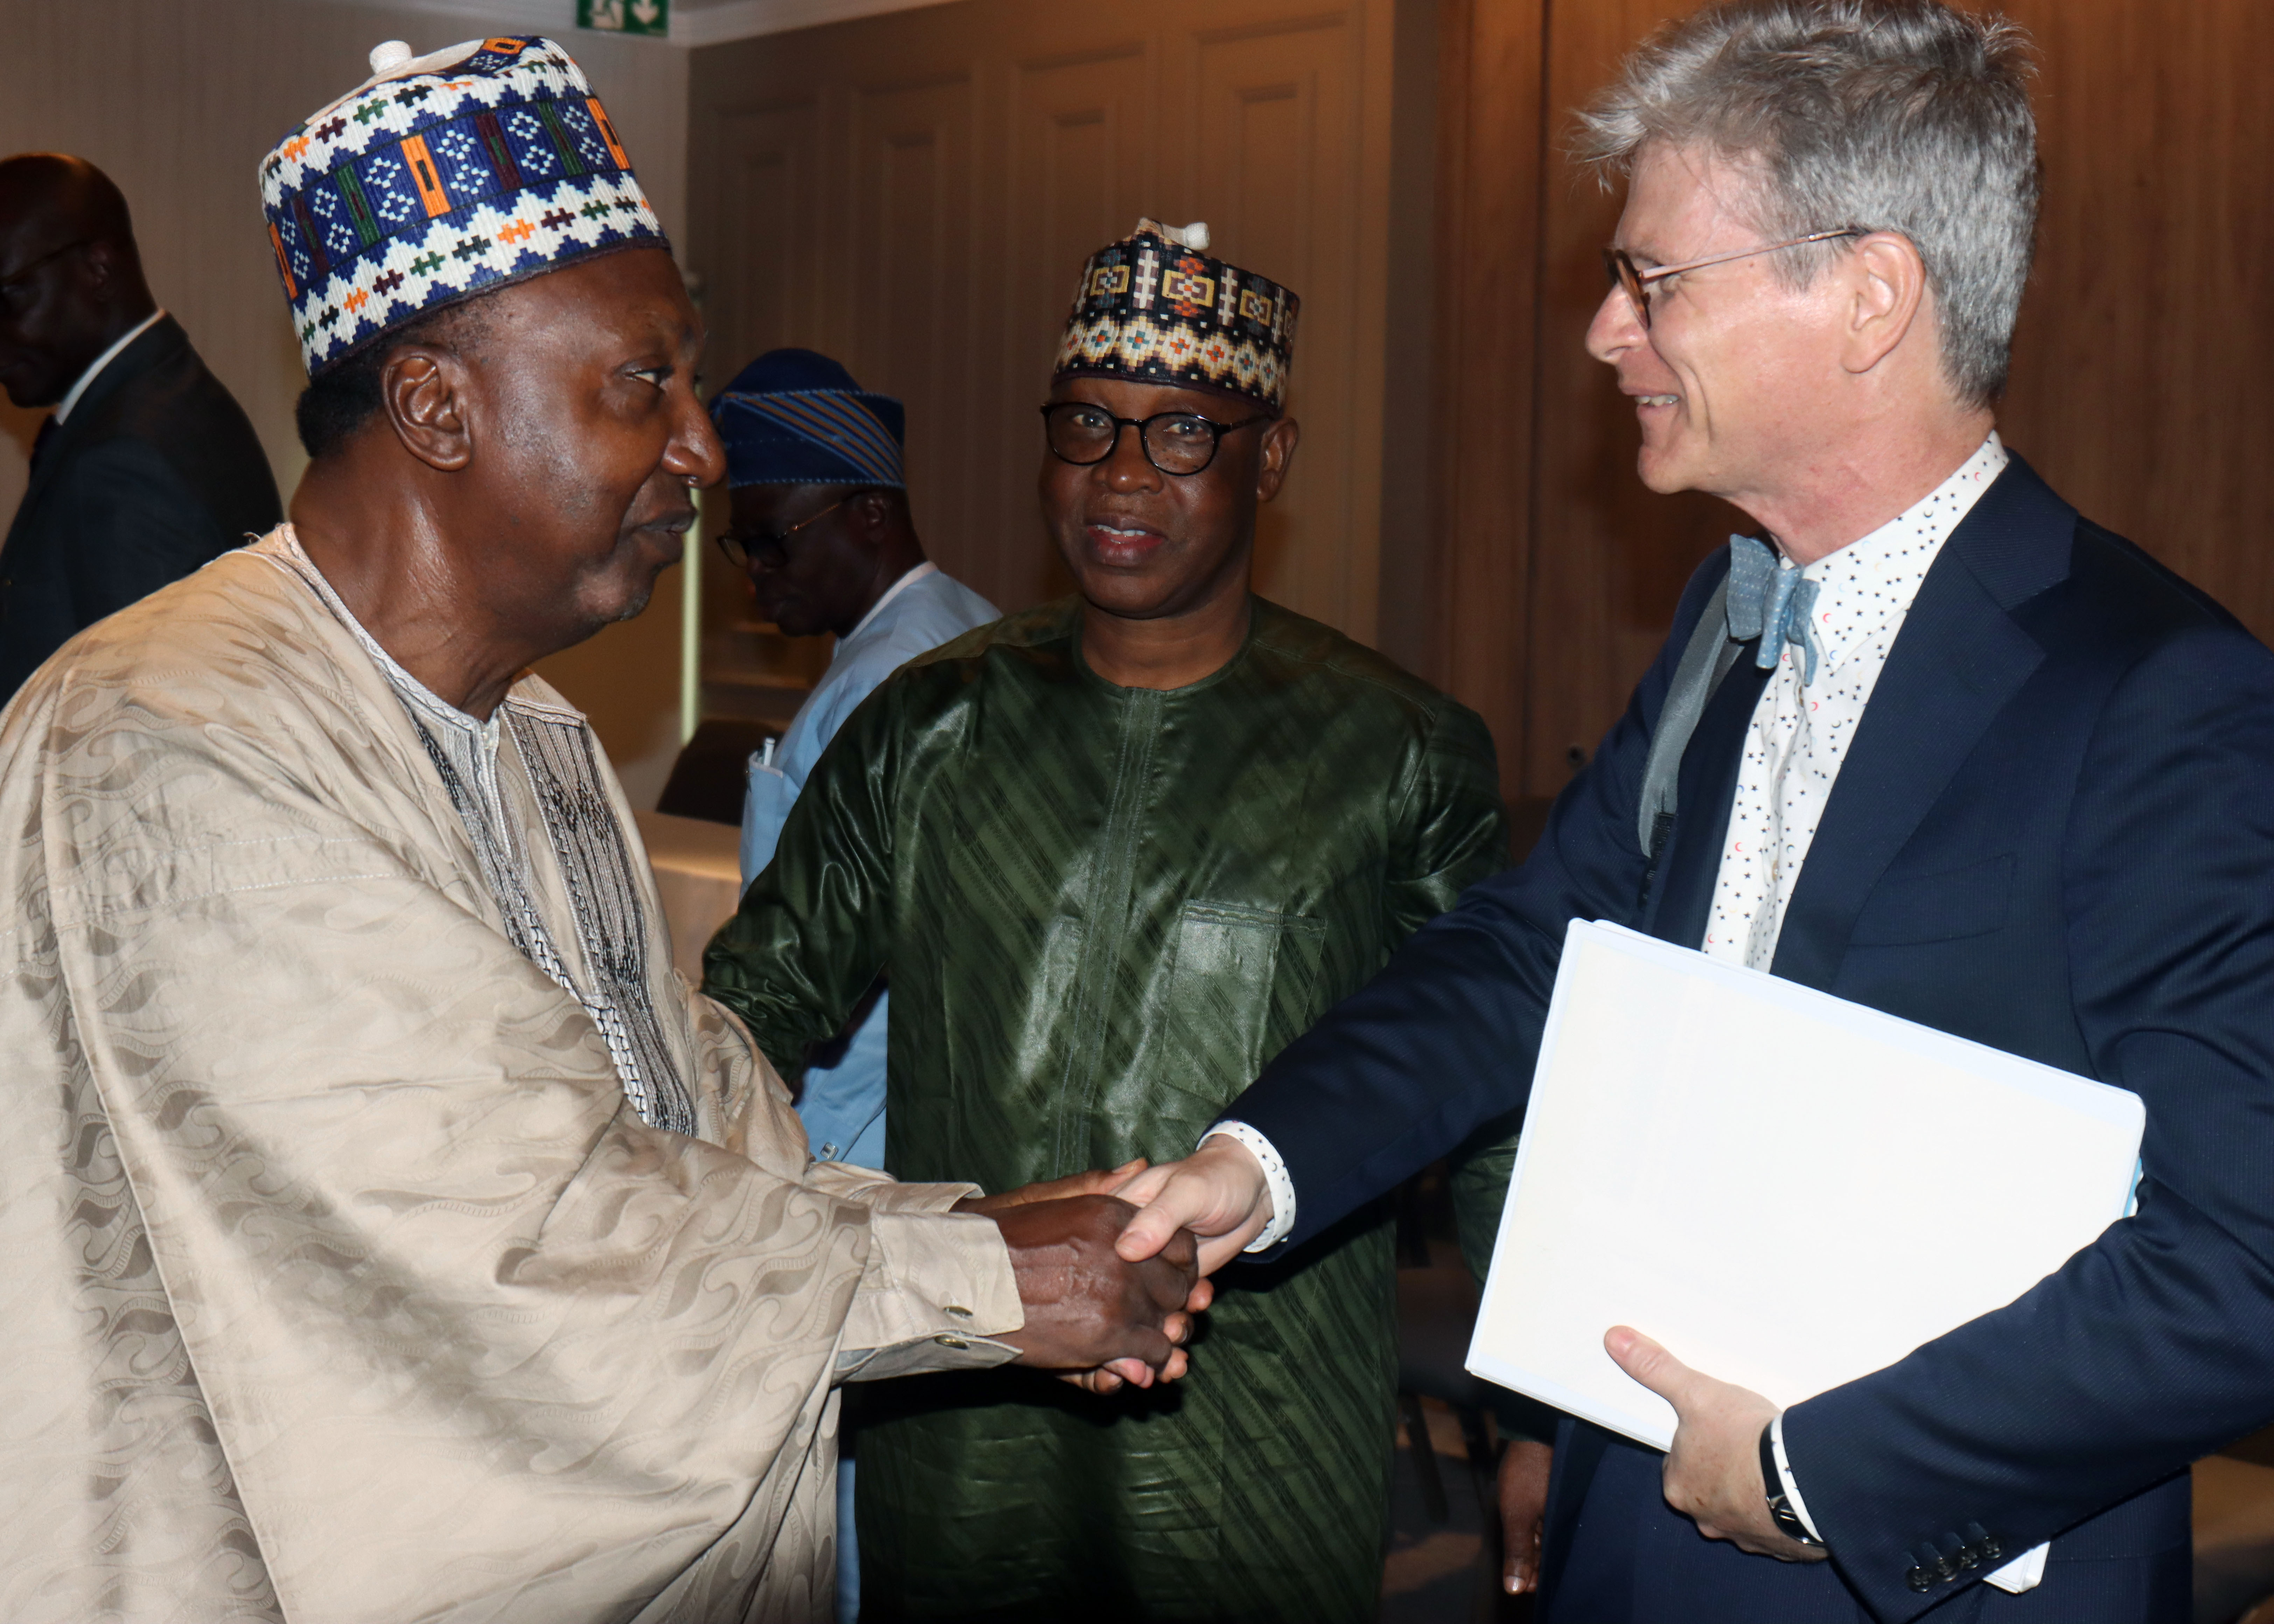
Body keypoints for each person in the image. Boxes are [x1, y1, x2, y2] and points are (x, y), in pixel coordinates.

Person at [0, 38, 1202, 1624]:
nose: (702, 445)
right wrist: (985, 1281)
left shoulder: (543, 738)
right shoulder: (179, 735)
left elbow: (697, 1139)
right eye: (646, 381)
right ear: (434, 404)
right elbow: (514, 1256)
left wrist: (984, 1226)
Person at [1115, 4, 2274, 1620]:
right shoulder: (1721, 627)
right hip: (1628, 1520)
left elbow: (2241, 1268)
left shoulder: (2166, 698)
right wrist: (1263, 1159)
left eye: (1654, 282)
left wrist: (1820, 1473)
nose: (1605, 333)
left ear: (1869, 296)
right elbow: (1536, 956)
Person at [702, 219, 1508, 1623]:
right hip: (963, 1392)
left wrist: (1541, 1413)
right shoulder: (928, 725)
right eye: (1086, 425)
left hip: (1259, 1424)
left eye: (1183, 432)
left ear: (1270, 457)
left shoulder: (1392, 750)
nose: (1121, 475)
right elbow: (743, 1017)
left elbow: (1495, 1093)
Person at [710, 346, 999, 1620]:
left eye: (770, 543)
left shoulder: (903, 675)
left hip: (864, 1136)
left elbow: (854, 975)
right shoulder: (946, 632)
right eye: (741, 549)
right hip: (882, 1125)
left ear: (868, 513)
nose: (753, 576)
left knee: (849, 1514)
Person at [0, 153, 281, 700]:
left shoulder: (127, 464)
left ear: (97, 270)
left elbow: (140, 734)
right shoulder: (171, 398)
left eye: (5, 299)